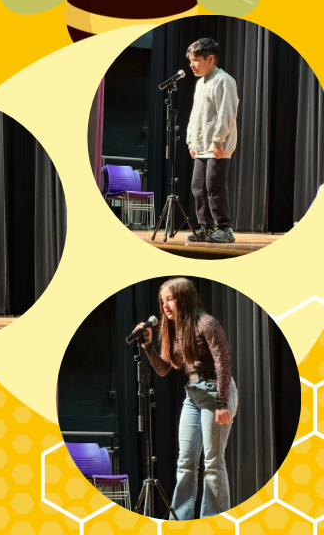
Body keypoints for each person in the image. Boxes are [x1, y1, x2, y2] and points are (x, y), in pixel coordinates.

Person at [135, 278, 237, 520]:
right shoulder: (174, 329)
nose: (166, 306)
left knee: (212, 462)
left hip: (216, 392)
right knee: (185, 462)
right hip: (192, 395)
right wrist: (148, 346)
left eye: (170, 299)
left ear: (184, 298)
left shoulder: (207, 323)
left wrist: (222, 403)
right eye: (163, 301)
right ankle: (180, 520)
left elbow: (223, 364)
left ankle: (212, 519)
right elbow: (164, 369)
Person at [184, 38, 239, 244]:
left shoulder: (224, 81)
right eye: (190, 60)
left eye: (196, 60)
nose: (192, 65)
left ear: (210, 58)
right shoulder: (200, 83)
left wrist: (218, 142)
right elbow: (195, 115)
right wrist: (191, 141)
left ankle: (224, 229)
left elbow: (227, 113)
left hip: (217, 147)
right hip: (201, 146)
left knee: (214, 188)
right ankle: (206, 228)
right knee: (198, 188)